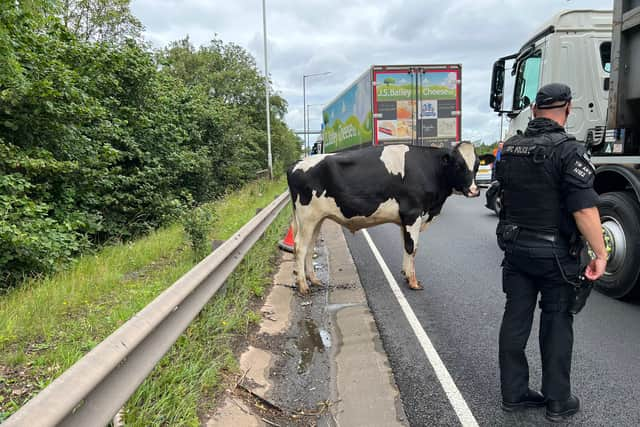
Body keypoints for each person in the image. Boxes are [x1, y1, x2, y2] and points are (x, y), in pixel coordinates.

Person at [495, 83, 607, 422]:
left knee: (515, 317)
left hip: (515, 250)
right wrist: (600, 254)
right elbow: (585, 211)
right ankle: (558, 401)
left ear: (533, 111)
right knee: (557, 320)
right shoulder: (569, 150)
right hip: (556, 255)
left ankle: (513, 394)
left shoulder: (511, 148)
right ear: (568, 108)